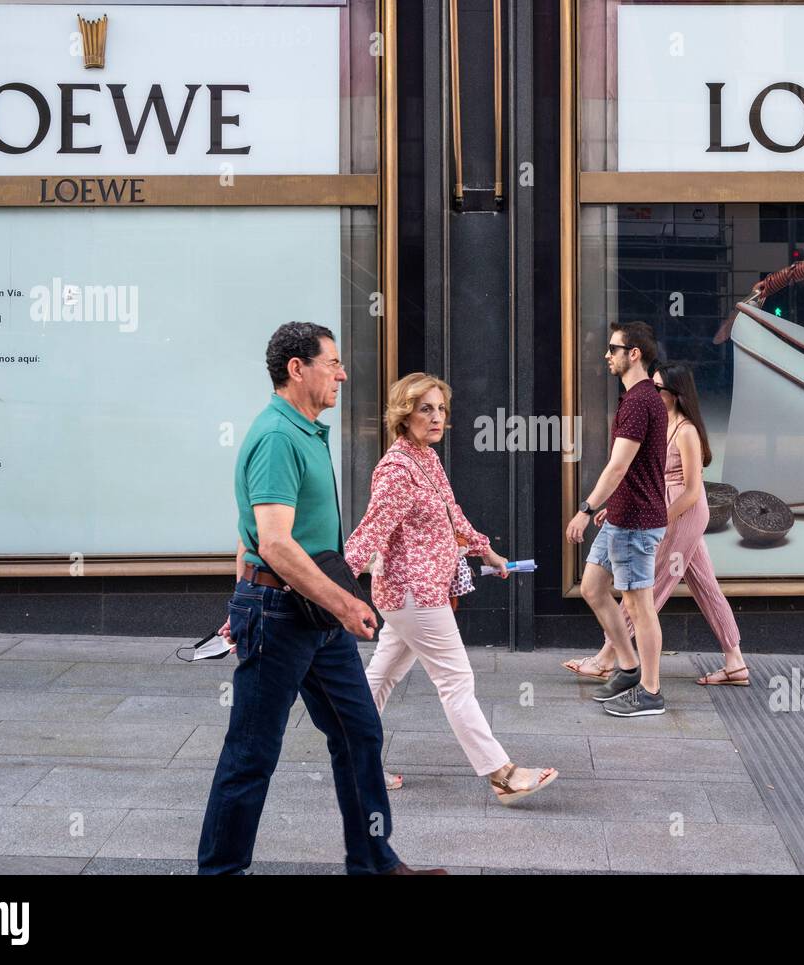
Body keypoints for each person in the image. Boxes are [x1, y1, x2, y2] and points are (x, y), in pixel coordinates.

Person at [198, 322, 445, 875]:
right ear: (296, 368)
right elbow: (274, 542)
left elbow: (247, 536)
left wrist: (241, 595)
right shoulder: (277, 437)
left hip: (309, 614)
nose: (341, 373)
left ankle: (374, 863)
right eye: (331, 362)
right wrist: (340, 603)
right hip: (285, 614)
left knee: (359, 731)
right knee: (251, 757)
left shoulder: (305, 430)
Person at [345, 373, 558, 804]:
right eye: (426, 409)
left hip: (420, 591)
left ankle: (354, 765)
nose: (437, 417)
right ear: (404, 415)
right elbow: (368, 533)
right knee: (456, 680)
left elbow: (452, 516)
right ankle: (502, 774)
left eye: (441, 408)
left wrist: (487, 552)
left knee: (380, 676)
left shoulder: (426, 458)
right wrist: (330, 588)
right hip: (413, 594)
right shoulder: (396, 469)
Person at [562, 362, 749, 687]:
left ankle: (607, 658)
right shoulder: (660, 423)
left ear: (676, 394)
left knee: (649, 587)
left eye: (658, 388)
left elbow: (692, 492)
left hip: (681, 512)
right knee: (705, 585)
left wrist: (655, 519)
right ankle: (735, 662)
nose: (652, 392)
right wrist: (620, 508)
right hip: (662, 508)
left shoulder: (686, 430)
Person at [565, 321, 669, 717]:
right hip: (624, 515)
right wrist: (612, 505)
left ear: (634, 354)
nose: (607, 355)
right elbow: (636, 468)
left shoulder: (641, 401)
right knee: (593, 587)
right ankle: (627, 667)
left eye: (614, 348)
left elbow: (618, 466)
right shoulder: (638, 399)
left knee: (639, 605)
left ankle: (651, 691)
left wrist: (585, 508)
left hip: (636, 523)